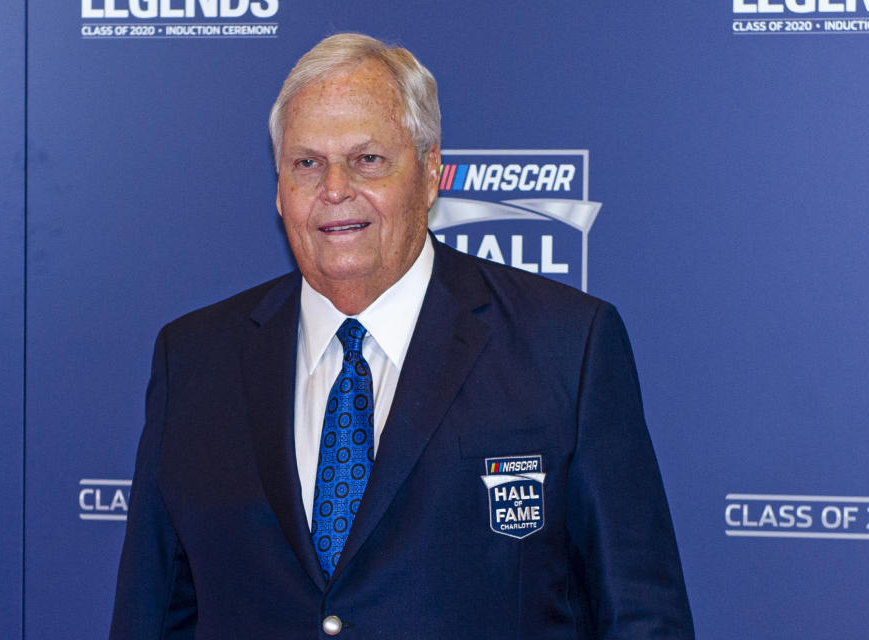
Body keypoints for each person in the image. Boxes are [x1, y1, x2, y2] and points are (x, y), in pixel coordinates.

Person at [110, 33, 694, 639]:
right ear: (280, 190)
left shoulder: (567, 346)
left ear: (431, 172)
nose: (334, 188)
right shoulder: (194, 361)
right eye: (306, 163)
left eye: (367, 159)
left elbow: (641, 616)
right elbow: (152, 615)